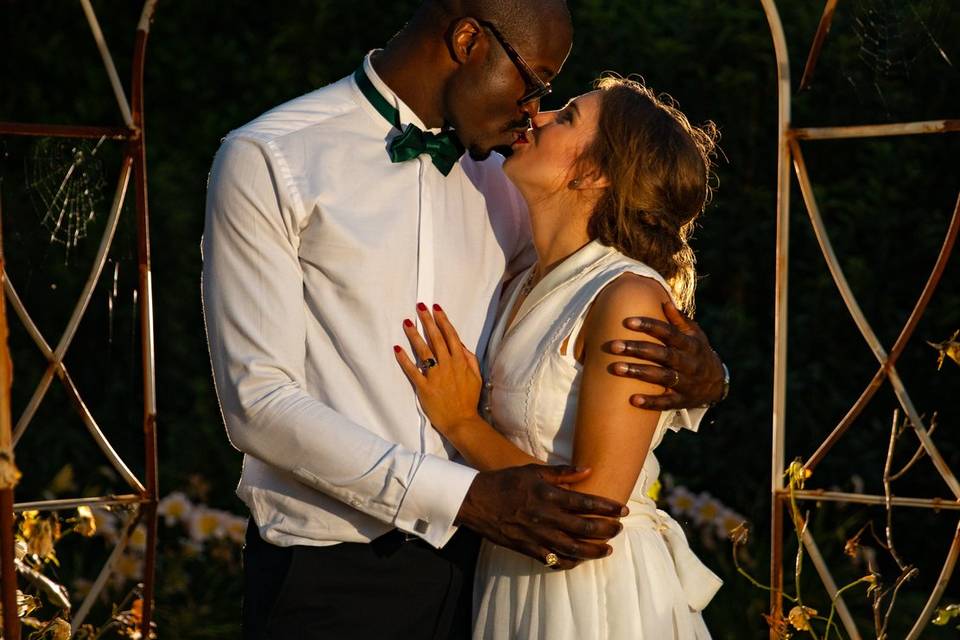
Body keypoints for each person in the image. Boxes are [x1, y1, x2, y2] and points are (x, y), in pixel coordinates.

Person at [201, 0, 728, 638]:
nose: (533, 108)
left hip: (493, 571)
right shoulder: (272, 158)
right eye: (533, 82)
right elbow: (257, 402)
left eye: (552, 99)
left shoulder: (513, 179)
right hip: (334, 569)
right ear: (468, 39)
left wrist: (706, 374)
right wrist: (463, 495)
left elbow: (600, 292)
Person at [395, 77, 723, 639]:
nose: (539, 118)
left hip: (596, 600)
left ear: (593, 172)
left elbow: (590, 515)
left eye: (566, 117)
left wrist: (461, 423)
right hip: (511, 574)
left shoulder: (627, 298)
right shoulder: (524, 279)